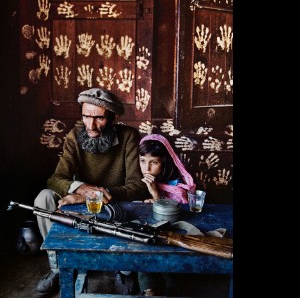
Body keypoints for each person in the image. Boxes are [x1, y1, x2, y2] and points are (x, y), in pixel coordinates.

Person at [33, 88, 149, 297]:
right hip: (81, 206)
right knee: (44, 197)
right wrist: (81, 189)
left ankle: (124, 269)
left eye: (99, 118)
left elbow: (137, 186)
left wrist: (97, 195)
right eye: (86, 116)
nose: (91, 125)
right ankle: (58, 266)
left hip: (116, 205)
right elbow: (55, 179)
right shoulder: (75, 136)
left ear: (114, 118)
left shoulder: (128, 137)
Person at [137, 134, 196, 296]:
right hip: (146, 237)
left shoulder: (176, 186)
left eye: (153, 162)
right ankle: (149, 291)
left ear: (164, 162)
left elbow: (176, 215)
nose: (147, 168)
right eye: (143, 161)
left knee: (167, 262)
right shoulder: (136, 180)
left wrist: (156, 194)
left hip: (172, 237)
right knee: (143, 252)